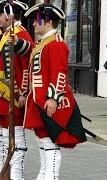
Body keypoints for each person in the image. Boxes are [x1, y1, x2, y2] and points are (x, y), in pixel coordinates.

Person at [12, 3, 87, 180]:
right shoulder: (44, 42)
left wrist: (53, 98)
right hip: (38, 99)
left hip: (48, 100)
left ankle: (51, 176)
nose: (33, 25)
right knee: (42, 139)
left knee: (50, 141)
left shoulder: (56, 44)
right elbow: (32, 65)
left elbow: (59, 73)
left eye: (36, 21)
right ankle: (44, 174)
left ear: (47, 22)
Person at [0, 1, 32, 179]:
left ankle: (16, 175)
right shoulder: (8, 33)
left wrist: (24, 91)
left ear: (9, 16)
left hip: (13, 95)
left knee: (16, 138)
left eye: (0, 15)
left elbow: (27, 64)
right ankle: (3, 172)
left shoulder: (20, 34)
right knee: (3, 137)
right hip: (2, 93)